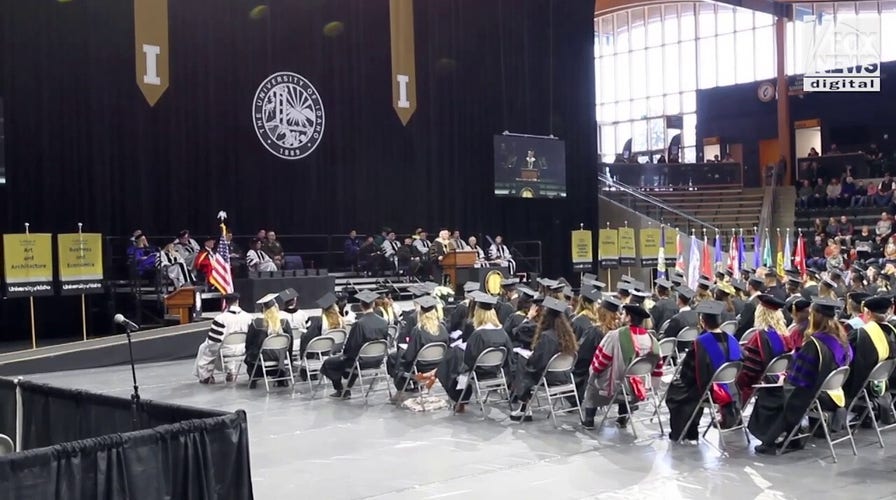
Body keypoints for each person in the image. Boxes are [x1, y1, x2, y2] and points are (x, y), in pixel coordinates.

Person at [750, 297, 854, 454]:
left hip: (815, 395)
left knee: (770, 392)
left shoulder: (815, 344)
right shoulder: (842, 339)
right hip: (834, 393)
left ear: (816, 316)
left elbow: (798, 379)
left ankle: (769, 440)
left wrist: (784, 378)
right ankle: (793, 437)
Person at [666, 300, 743, 441]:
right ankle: (692, 429)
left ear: (702, 321)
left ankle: (686, 432)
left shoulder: (700, 343)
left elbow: (687, 376)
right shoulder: (732, 339)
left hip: (709, 391)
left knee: (675, 391)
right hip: (732, 389)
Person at [580, 303, 662, 429]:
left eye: (624, 314)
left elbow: (601, 361)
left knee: (592, 385)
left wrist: (593, 374)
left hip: (615, 387)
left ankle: (589, 420)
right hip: (639, 388)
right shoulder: (652, 340)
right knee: (628, 377)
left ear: (629, 318)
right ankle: (622, 418)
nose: (621, 316)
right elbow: (658, 368)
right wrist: (652, 387)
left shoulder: (615, 335)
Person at [437, 293, 515, 411]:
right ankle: (461, 400)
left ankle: (459, 400)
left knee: (450, 366)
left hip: (478, 372)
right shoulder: (502, 332)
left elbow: (469, 360)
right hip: (496, 371)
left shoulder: (478, 334)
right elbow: (509, 353)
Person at [509, 297, 579, 422]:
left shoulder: (547, 336)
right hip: (564, 376)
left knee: (523, 363)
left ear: (546, 317)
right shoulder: (568, 335)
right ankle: (524, 406)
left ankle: (524, 406)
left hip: (549, 377)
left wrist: (530, 357)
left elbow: (537, 363)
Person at [320, 290, 389, 399]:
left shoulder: (359, 324)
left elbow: (351, 347)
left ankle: (340, 390)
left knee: (329, 363)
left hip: (360, 361)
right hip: (378, 360)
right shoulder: (384, 322)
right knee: (355, 359)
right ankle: (347, 389)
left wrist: (344, 355)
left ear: (361, 306)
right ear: (374, 304)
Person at [842, 296, 896, 418]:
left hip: (863, 384)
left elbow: (847, 358)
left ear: (868, 313)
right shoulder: (892, 331)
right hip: (886, 381)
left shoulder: (861, 334)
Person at [735, 295, 792, 406]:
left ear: (760, 314)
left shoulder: (759, 338)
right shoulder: (786, 337)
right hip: (780, 381)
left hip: (762, 382)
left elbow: (748, 373)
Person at [388, 296, 450, 393]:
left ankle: (405, 387)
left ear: (421, 312)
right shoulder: (442, 329)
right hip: (438, 364)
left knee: (396, 359)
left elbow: (409, 356)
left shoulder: (418, 330)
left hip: (421, 366)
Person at [193, 293, 252, 384]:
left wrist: (207, 344)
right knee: (226, 347)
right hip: (242, 349)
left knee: (204, 347)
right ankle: (231, 371)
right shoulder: (248, 317)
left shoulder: (221, 318)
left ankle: (205, 376)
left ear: (226, 303)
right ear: (237, 302)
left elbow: (214, 341)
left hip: (225, 350)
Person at [572, 295, 618, 403]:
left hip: (595, 377)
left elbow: (582, 357)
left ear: (600, 312)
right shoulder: (619, 331)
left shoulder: (594, 332)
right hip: (614, 375)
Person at [244, 295, 294, 389]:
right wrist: (288, 358)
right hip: (280, 358)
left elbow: (248, 343)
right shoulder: (284, 322)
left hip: (261, 360)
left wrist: (248, 354)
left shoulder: (256, 323)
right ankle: (281, 377)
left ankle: (254, 378)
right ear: (276, 307)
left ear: (263, 308)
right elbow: (290, 343)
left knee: (251, 355)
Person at [299, 293, 344, 359]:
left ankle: (305, 360)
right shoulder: (341, 320)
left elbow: (308, 337)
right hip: (335, 350)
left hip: (323, 350)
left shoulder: (319, 320)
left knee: (305, 337)